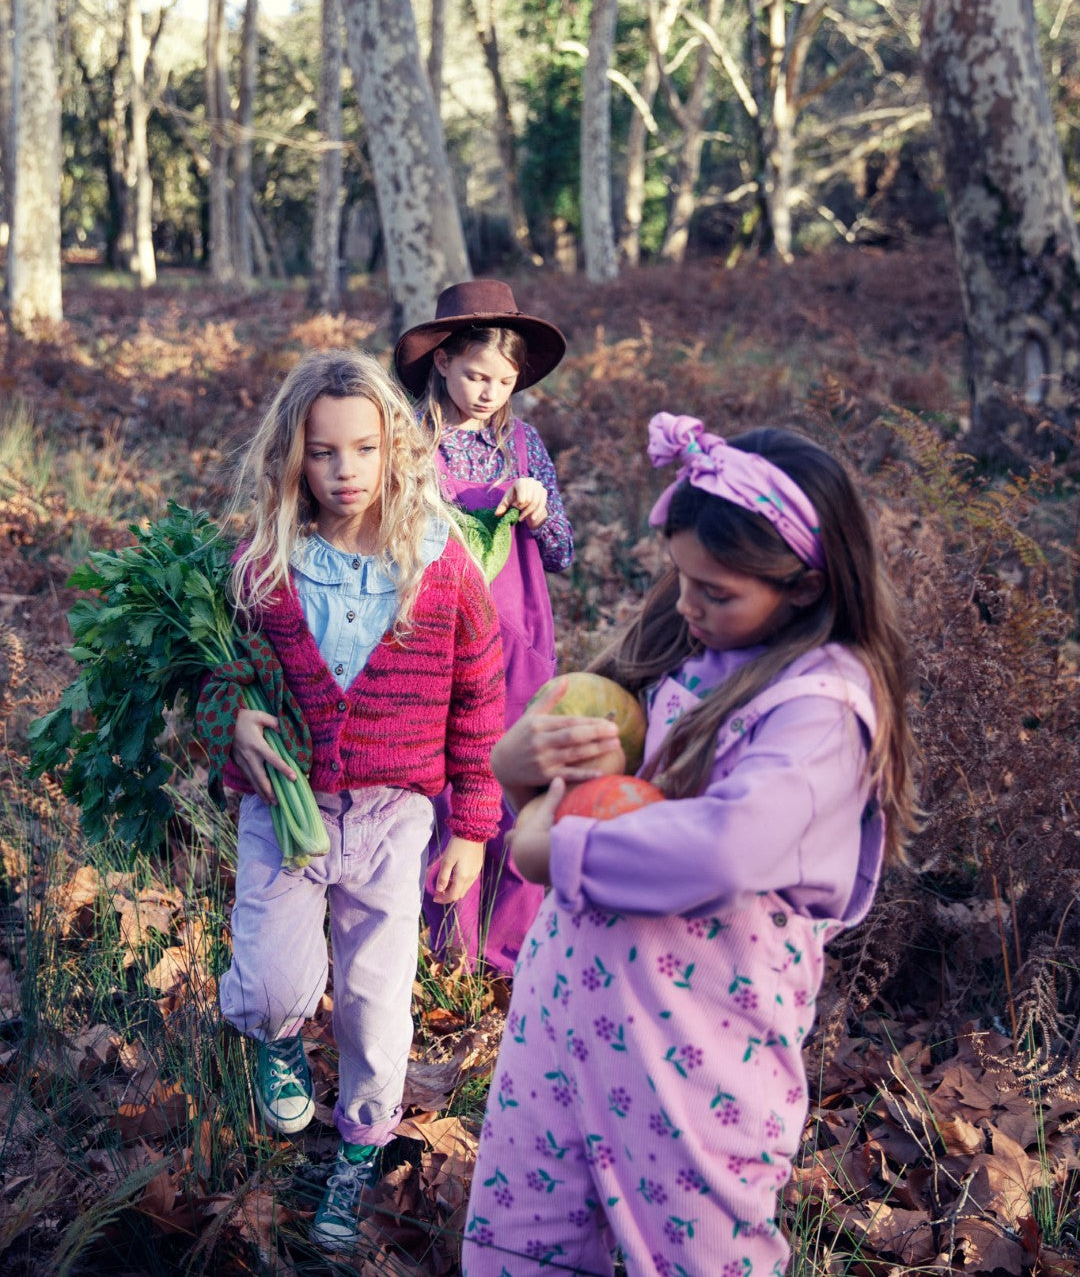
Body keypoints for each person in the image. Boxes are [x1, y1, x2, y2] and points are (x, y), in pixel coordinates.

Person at [461, 412, 917, 1277]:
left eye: (716, 591)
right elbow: (580, 788)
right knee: (522, 1247)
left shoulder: (823, 708)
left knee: (696, 1257)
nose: (686, 604)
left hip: (697, 1053)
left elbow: (726, 849)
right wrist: (513, 765)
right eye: (681, 578)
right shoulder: (681, 645)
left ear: (807, 588)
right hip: (564, 1023)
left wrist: (551, 851)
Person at [195, 351, 505, 1252]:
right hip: (285, 803)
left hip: (393, 816)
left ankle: (360, 1147)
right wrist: (237, 725)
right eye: (322, 454)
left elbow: (478, 702)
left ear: (396, 448)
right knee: (269, 979)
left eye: (364, 450)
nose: (344, 473)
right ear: (292, 458)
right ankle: (278, 1035)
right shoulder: (264, 563)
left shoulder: (441, 565)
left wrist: (474, 828)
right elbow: (222, 677)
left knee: (377, 997)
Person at [394, 280, 574, 974]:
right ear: (442, 362)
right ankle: (447, 948)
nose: (489, 391)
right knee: (444, 781)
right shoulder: (409, 440)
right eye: (475, 375)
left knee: (514, 780)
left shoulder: (524, 447)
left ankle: (511, 944)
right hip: (433, 637)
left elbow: (561, 553)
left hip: (519, 641)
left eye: (503, 380)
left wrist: (537, 512)